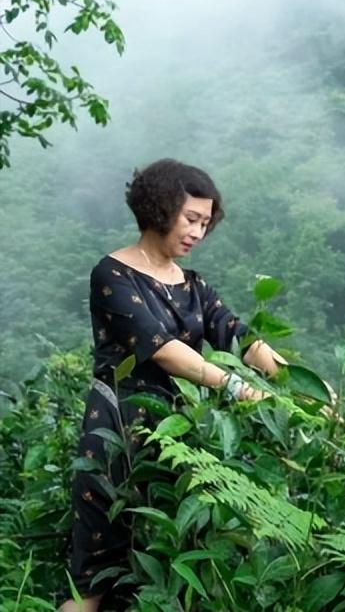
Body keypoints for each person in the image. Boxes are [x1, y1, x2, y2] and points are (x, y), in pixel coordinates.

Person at [60, 159, 287, 612]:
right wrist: (240, 390)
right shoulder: (112, 274)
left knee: (167, 568)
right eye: (191, 219)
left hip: (181, 437)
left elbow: (238, 336)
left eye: (205, 223)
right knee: (96, 573)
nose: (198, 232)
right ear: (160, 209)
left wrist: (302, 387)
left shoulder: (194, 285)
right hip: (119, 433)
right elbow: (162, 349)